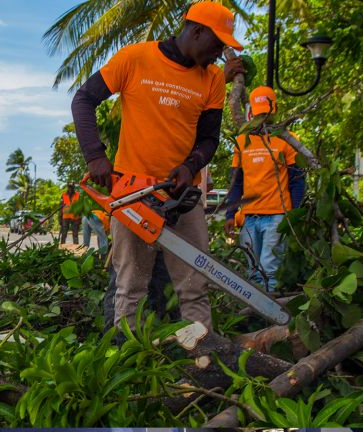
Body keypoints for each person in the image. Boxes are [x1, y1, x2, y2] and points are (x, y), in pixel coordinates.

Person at [71, 1, 244, 331]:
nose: (219, 52)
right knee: (130, 288)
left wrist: (190, 164)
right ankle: (128, 357)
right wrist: (95, 156)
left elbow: (209, 138)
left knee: (194, 287)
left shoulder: (212, 80)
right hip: (134, 193)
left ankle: (201, 356)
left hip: (182, 194)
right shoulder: (135, 58)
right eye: (217, 42)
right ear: (196, 31)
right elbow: (83, 99)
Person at [224, 86, 305, 292]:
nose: (262, 117)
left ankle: (272, 317)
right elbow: (236, 182)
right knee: (253, 272)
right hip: (250, 217)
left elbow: (297, 181)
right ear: (251, 112)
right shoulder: (242, 141)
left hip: (277, 215)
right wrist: (230, 214)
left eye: (265, 112)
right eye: (259, 113)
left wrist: (293, 215)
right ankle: (254, 317)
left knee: (269, 270)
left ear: (274, 110)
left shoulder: (287, 139)